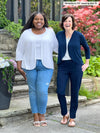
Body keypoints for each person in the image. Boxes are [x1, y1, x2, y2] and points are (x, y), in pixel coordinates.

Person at [16, 12, 58, 127]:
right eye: (36, 19)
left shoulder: (50, 32)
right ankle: (35, 115)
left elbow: (57, 47)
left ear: (44, 21)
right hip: (29, 65)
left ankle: (42, 114)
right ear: (32, 20)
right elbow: (20, 49)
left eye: (41, 19)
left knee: (42, 91)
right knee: (33, 91)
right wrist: (19, 66)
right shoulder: (26, 33)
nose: (39, 21)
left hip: (46, 66)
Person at [56, 14, 90, 127]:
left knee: (74, 92)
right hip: (63, 66)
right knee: (60, 91)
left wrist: (86, 63)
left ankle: (72, 117)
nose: (67, 23)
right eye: (65, 21)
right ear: (62, 23)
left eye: (69, 21)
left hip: (76, 66)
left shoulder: (78, 35)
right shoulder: (59, 35)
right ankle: (65, 114)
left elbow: (87, 48)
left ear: (73, 23)